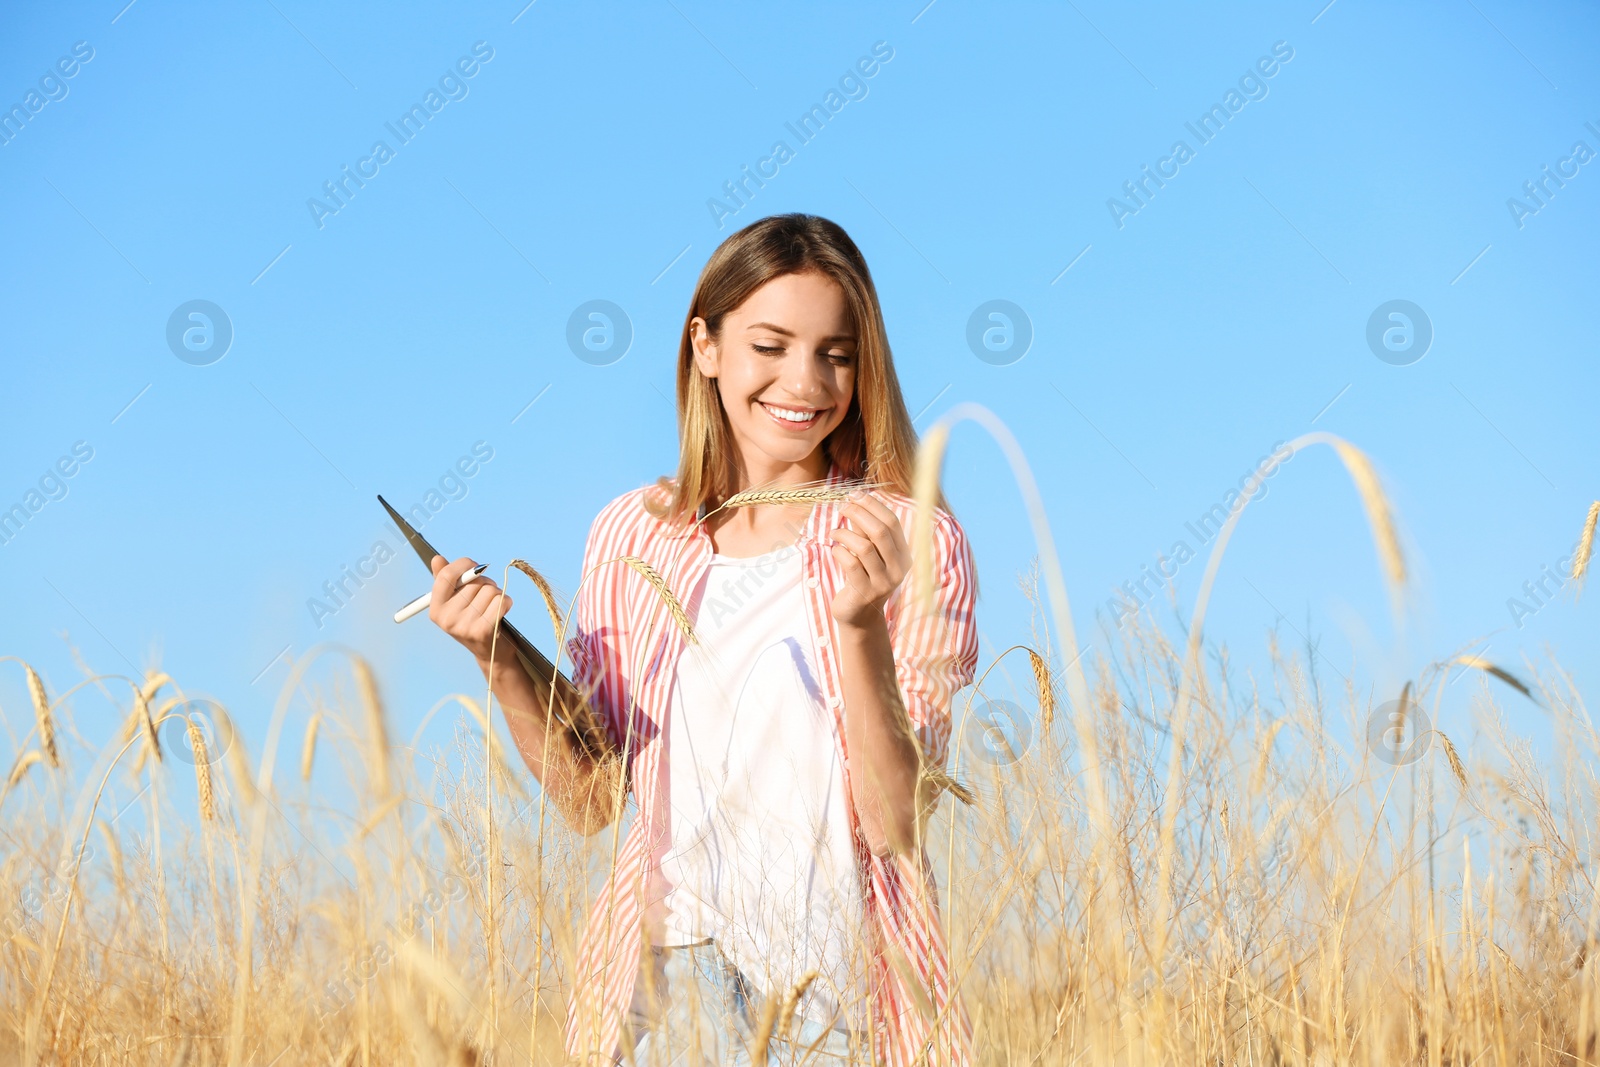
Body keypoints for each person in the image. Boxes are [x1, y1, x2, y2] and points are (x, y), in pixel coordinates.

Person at [427, 213, 979, 1065]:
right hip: (663, 983)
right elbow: (592, 800)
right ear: (706, 345)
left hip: (841, 993)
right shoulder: (632, 534)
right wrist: (499, 657)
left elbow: (899, 821)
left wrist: (860, 625)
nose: (805, 381)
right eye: (770, 344)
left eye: (836, 352)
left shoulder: (908, 537)